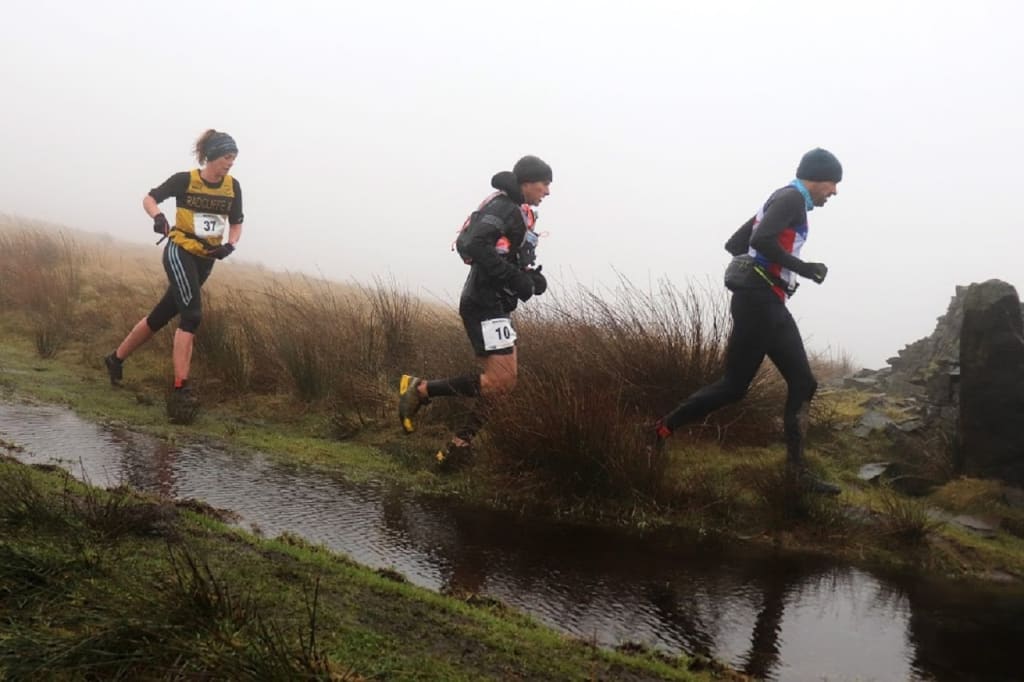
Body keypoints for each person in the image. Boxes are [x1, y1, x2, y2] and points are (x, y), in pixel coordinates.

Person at [650, 148, 844, 495]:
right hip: (758, 303)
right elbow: (759, 240)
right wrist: (803, 269)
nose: (835, 192)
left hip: (768, 301)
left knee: (803, 382)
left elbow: (736, 243)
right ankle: (658, 432)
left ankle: (796, 473)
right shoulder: (791, 199)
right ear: (817, 177)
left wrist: (766, 273)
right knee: (734, 386)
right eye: (833, 183)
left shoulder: (785, 198)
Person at [398, 155, 552, 469]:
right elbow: (477, 246)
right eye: (544, 184)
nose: (547, 191)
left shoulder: (517, 210)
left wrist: (530, 278)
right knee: (500, 382)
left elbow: (502, 255)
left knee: (503, 384)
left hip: (495, 304)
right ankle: (421, 390)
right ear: (527, 182)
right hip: (483, 303)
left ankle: (459, 446)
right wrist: (515, 279)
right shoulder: (504, 207)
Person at [104, 129, 243, 423]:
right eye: (227, 157)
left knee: (161, 315)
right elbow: (150, 198)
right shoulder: (185, 180)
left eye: (234, 158)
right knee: (191, 315)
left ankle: (115, 359)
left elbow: (236, 222)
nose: (231, 163)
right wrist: (158, 217)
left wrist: (230, 245)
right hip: (180, 252)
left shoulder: (233, 187)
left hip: (206, 260)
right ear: (212, 156)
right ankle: (181, 388)